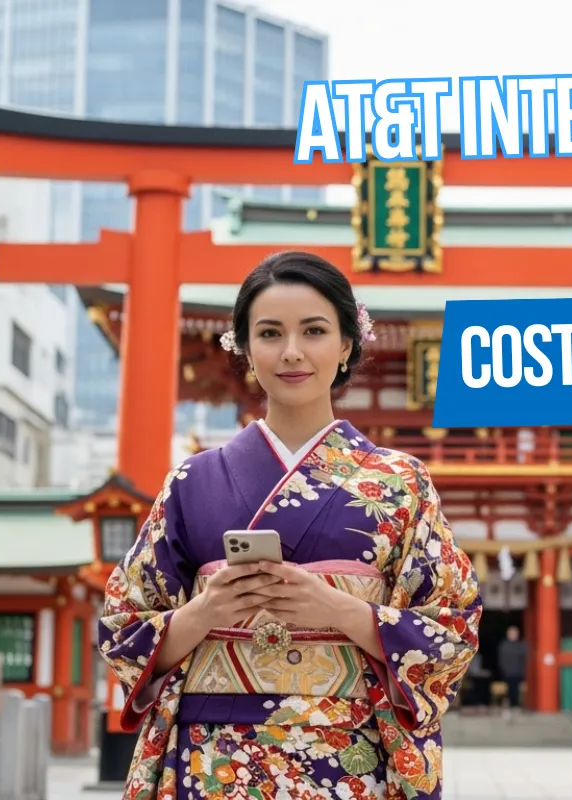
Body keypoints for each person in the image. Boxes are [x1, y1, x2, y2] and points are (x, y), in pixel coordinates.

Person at [96, 251, 483, 799]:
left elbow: (453, 626)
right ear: (245, 347)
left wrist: (341, 611)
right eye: (271, 333)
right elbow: (121, 629)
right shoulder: (192, 481)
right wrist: (206, 611)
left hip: (349, 753)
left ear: (346, 344)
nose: (292, 352)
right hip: (217, 755)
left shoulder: (400, 481)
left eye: (315, 331)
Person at [497, 626, 528, 711]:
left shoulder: (521, 645)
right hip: (507, 672)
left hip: (519, 672)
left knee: (517, 689)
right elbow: (501, 659)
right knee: (509, 689)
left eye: (514, 633)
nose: (513, 635)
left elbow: (525, 659)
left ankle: (516, 705)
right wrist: (504, 670)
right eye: (511, 633)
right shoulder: (504, 645)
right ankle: (510, 704)